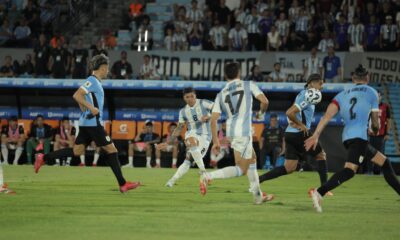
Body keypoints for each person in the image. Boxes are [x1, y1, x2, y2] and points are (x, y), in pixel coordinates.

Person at [34, 54, 140, 193]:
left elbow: (80, 97)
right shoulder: (93, 80)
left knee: (77, 151)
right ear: (102, 68)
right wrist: (91, 108)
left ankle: (43, 157)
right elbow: (77, 95)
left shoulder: (93, 82)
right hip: (93, 123)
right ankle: (123, 184)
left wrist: (83, 107)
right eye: (106, 68)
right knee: (112, 150)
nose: (107, 71)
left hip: (86, 123)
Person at [306, 65, 400, 213]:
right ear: (367, 78)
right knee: (350, 171)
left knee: (385, 162)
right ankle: (319, 192)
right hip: (360, 138)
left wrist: (315, 135)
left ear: (354, 78)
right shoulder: (372, 92)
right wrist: (374, 130)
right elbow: (376, 122)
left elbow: (326, 117)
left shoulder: (341, 95)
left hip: (347, 137)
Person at [201, 62, 273, 204]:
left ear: (225, 75)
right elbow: (265, 102)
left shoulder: (221, 94)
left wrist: (215, 141)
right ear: (239, 73)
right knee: (241, 168)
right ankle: (208, 176)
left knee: (252, 159)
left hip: (232, 132)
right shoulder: (248, 84)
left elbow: (213, 120)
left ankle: (258, 196)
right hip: (243, 132)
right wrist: (260, 114)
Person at [259, 74, 329, 191]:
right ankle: (325, 189)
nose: (322, 86)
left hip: (290, 134)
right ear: (312, 83)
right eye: (320, 83)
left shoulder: (303, 94)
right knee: (321, 155)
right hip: (300, 134)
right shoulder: (307, 96)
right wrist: (301, 125)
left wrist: (294, 122)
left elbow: (291, 113)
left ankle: (259, 179)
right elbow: (289, 112)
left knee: (289, 167)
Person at [157, 87, 213, 187]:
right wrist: (168, 142)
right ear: (184, 98)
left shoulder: (203, 103)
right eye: (187, 97)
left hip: (206, 136)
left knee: (188, 161)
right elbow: (179, 128)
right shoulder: (183, 111)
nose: (190, 98)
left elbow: (217, 110)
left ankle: (172, 180)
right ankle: (204, 172)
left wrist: (208, 116)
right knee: (191, 142)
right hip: (192, 133)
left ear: (195, 95)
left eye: (192, 96)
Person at [367, 90, 391, 175]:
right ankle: (368, 171)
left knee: (380, 153)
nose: (377, 97)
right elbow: (366, 120)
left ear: (381, 97)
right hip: (370, 134)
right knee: (369, 152)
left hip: (381, 135)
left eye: (379, 96)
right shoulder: (369, 106)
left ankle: (377, 172)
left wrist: (387, 133)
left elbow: (388, 120)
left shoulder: (385, 106)